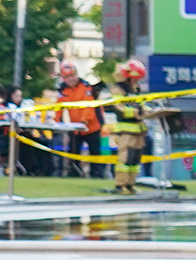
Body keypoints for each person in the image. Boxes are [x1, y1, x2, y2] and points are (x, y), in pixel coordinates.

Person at [104, 59, 149, 195]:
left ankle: (131, 184)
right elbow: (120, 108)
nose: (136, 81)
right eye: (134, 78)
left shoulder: (136, 88)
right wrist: (136, 112)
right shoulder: (118, 89)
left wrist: (148, 111)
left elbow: (141, 104)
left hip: (138, 130)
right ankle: (120, 185)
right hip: (125, 130)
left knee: (135, 159)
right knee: (125, 159)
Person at [53, 62, 104, 178]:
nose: (70, 79)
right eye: (67, 77)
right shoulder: (63, 90)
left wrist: (84, 121)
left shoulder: (86, 87)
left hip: (91, 127)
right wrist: (56, 121)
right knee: (73, 152)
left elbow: (89, 106)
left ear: (76, 74)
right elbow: (58, 107)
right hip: (75, 128)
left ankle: (97, 175)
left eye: (72, 75)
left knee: (95, 153)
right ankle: (74, 173)